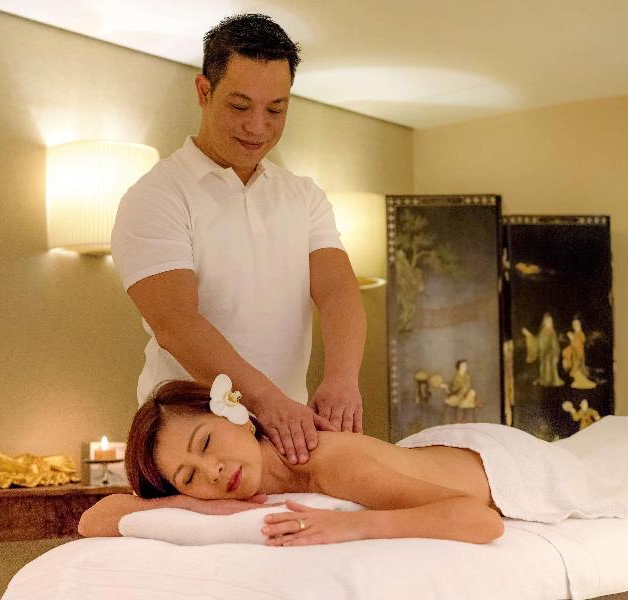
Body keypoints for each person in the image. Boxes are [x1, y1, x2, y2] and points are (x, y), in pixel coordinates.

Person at [110, 14, 367, 466]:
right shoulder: (156, 196)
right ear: (203, 92)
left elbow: (338, 292)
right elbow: (176, 324)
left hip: (286, 435)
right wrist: (267, 402)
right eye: (239, 106)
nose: (257, 127)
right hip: (189, 445)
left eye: (276, 110)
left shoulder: (304, 196)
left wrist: (342, 379)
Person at [79, 376, 626, 546]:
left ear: (239, 415)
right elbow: (93, 520)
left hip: (510, 464)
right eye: (189, 476)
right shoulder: (253, 478)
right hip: (435, 453)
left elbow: (480, 522)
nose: (213, 472)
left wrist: (349, 526)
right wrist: (185, 501)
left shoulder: (327, 462)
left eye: (205, 445)